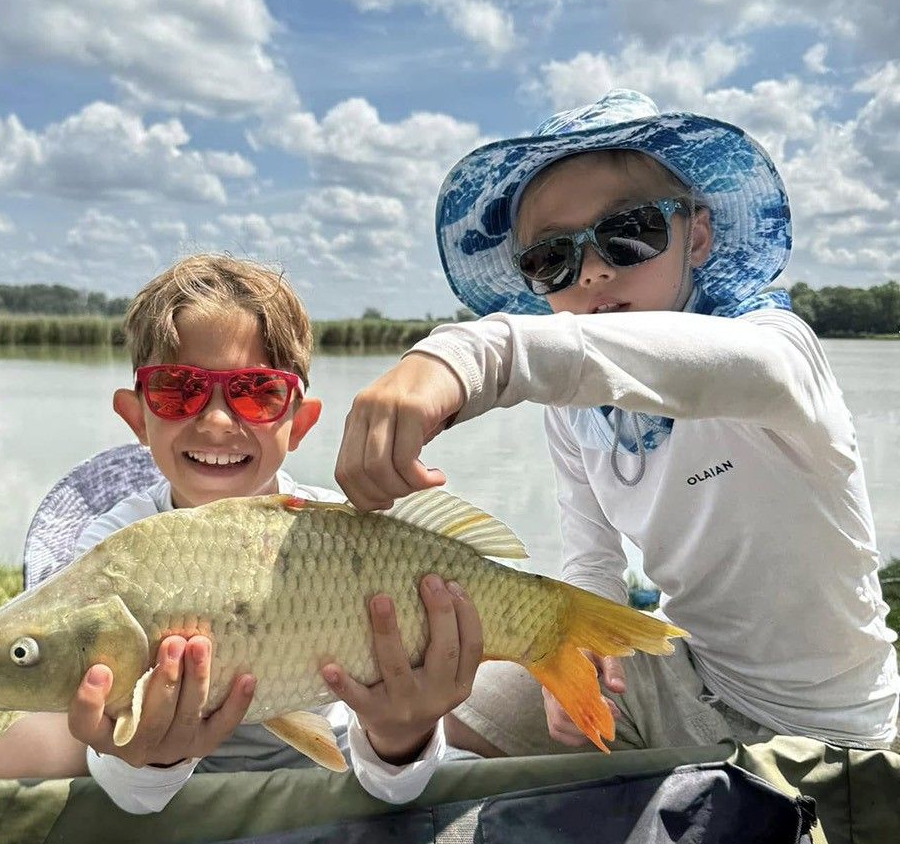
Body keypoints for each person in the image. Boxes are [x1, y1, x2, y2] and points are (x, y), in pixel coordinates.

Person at [335, 89, 899, 755]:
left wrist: (467, 351)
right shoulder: (577, 410)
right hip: (683, 679)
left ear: (699, 236)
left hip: (830, 732)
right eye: (552, 258)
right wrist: (571, 659)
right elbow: (591, 560)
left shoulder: (777, 351)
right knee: (441, 711)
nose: (595, 270)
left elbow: (694, 364)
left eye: (630, 231)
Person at [0, 254, 482, 809]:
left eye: (256, 392)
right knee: (18, 756)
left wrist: (398, 737)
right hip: (164, 773)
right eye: (178, 389)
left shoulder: (346, 533)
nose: (217, 421)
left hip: (335, 752)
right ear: (137, 417)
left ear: (300, 423)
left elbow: (395, 786)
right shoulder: (117, 545)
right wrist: (150, 760)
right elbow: (132, 788)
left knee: (459, 741)